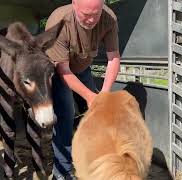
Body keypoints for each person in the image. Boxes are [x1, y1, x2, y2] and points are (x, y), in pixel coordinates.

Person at [45, 0, 121, 179]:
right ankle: (62, 173)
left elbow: (113, 58)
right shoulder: (58, 21)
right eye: (86, 15)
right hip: (60, 71)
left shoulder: (109, 18)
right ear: (74, 4)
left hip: (83, 66)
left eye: (96, 14)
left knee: (96, 113)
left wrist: (103, 93)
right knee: (66, 115)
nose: (91, 20)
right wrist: (89, 95)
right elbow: (63, 69)